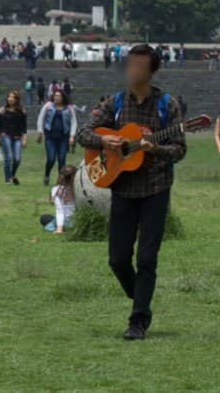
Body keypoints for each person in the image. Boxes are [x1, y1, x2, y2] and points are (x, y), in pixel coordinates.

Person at [77, 44, 186, 341]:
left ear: (151, 72)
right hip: (123, 189)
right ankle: (140, 296)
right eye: (130, 65)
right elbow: (84, 134)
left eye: (139, 66)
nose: (132, 70)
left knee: (147, 257)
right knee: (117, 259)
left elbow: (179, 150)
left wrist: (155, 149)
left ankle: (138, 319)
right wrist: (105, 141)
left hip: (155, 189)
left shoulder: (168, 105)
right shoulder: (115, 102)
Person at [37, 91, 78, 186]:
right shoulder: (48, 106)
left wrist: (72, 136)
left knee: (62, 159)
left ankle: (61, 181)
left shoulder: (69, 108)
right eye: (55, 95)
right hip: (50, 137)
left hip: (63, 138)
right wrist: (40, 131)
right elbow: (40, 118)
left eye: (58, 96)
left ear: (63, 97)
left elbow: (74, 122)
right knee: (51, 158)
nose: (56, 97)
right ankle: (47, 174)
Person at [0, 91, 27, 185]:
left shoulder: (22, 111)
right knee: (8, 157)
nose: (10, 99)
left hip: (17, 137)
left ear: (17, 99)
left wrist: (25, 139)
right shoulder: (2, 110)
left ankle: (12, 174)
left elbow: (24, 127)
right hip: (5, 136)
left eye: (13, 97)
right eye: (9, 97)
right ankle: (7, 180)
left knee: (17, 159)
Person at [42, 165, 77, 234]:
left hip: (66, 222)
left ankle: (61, 228)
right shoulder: (78, 189)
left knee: (45, 221)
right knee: (46, 218)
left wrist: (59, 230)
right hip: (77, 221)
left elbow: (60, 211)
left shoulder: (56, 189)